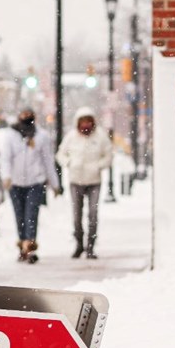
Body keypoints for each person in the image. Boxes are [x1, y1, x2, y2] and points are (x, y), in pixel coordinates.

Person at [0, 108, 60, 263]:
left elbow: (48, 162)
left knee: (31, 215)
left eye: (29, 116)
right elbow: (5, 158)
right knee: (19, 215)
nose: (26, 118)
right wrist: (6, 177)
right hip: (15, 182)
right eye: (23, 115)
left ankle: (30, 248)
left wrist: (55, 184)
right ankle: (22, 246)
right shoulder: (10, 135)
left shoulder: (42, 136)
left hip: (35, 182)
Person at [56, 107, 113, 259]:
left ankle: (91, 247)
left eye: (88, 121)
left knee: (93, 215)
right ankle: (79, 244)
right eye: (83, 122)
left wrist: (98, 166)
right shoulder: (71, 137)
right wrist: (69, 162)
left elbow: (108, 155)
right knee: (77, 215)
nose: (86, 125)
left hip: (94, 181)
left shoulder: (100, 137)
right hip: (76, 181)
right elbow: (61, 154)